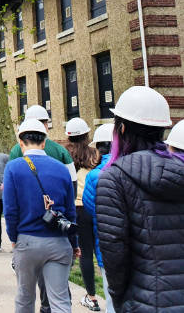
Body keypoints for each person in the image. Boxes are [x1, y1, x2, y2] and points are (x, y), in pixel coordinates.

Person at [96, 86, 184, 312]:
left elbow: (114, 251)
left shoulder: (113, 178)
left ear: (122, 128)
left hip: (144, 300)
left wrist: (118, 297)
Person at [4, 118, 78, 313]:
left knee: (25, 298)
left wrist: (13, 238)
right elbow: (70, 212)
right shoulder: (61, 169)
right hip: (58, 243)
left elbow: (10, 211)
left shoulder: (13, 168)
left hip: (27, 241)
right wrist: (74, 243)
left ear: (21, 143)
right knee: (60, 301)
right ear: (44, 142)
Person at [64, 117, 101, 311]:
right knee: (101, 252)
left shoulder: (64, 155)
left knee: (84, 253)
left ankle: (92, 297)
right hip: (94, 206)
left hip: (75, 208)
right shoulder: (96, 154)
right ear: (87, 134)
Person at [82, 123, 115, 313]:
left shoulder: (94, 175)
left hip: (106, 241)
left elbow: (90, 207)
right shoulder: (133, 167)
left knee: (111, 295)